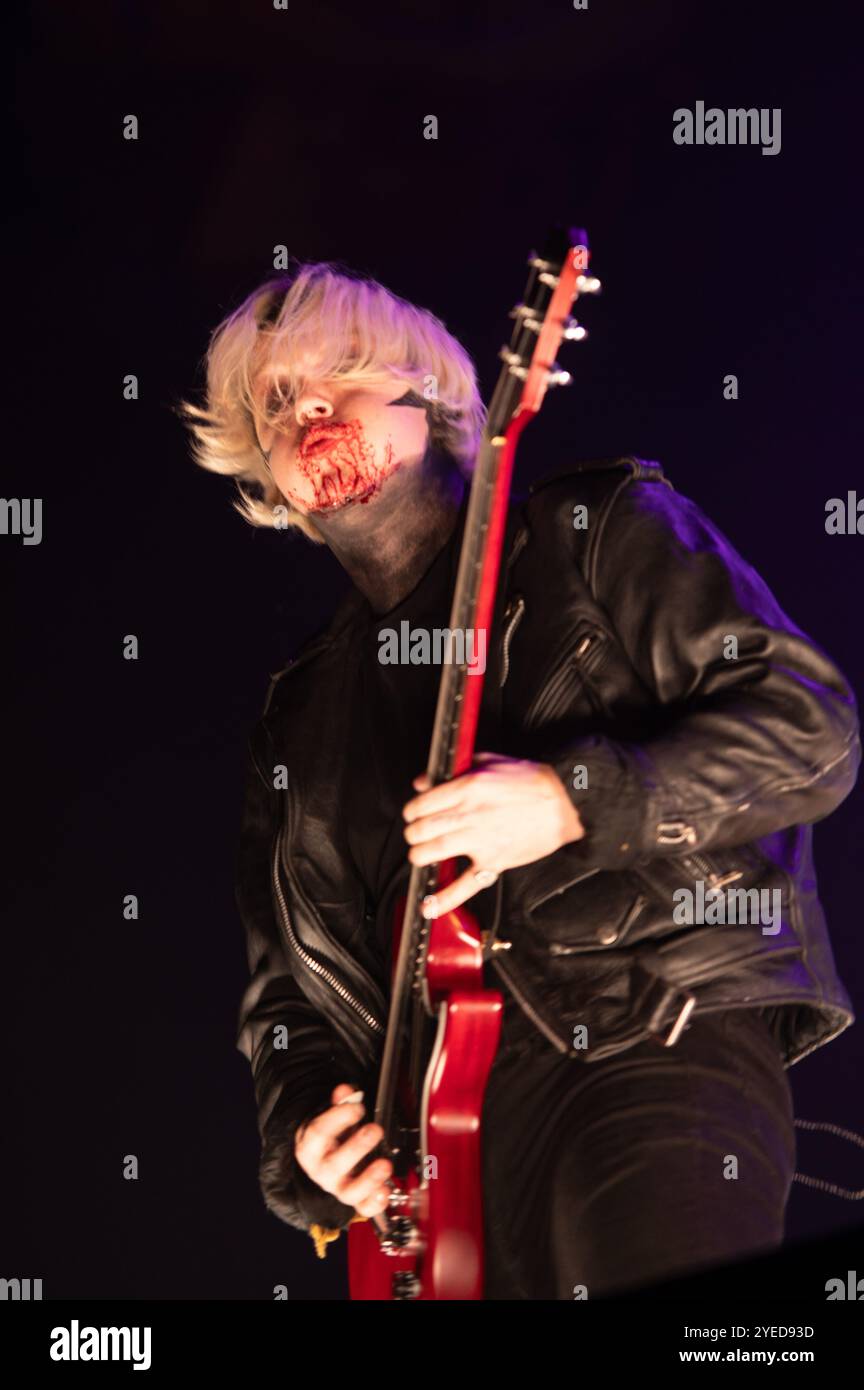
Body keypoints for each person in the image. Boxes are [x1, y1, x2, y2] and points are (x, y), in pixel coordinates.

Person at [182, 259, 860, 1298]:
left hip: (651, 1035)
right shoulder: (299, 722)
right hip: (436, 1161)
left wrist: (571, 801)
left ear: (442, 395)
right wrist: (307, 1149)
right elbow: (286, 1002)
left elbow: (809, 726)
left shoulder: (599, 535)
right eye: (272, 402)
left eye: (340, 373)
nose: (304, 404)